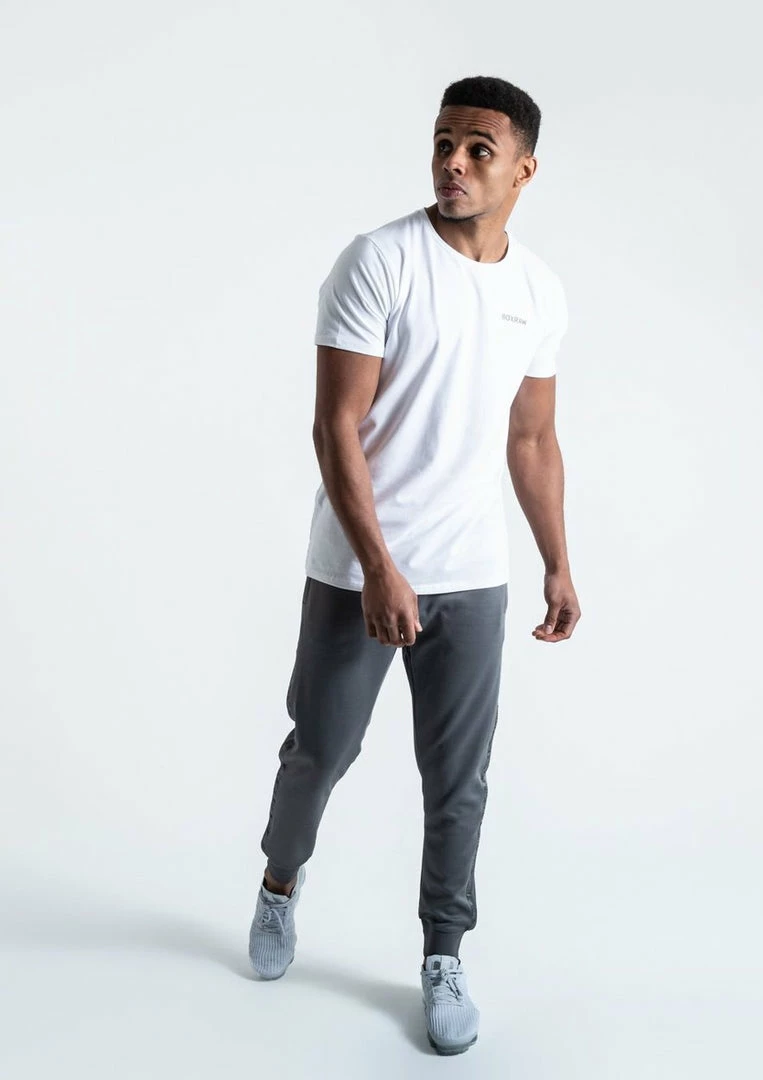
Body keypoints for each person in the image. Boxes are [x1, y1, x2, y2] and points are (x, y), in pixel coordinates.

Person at [247, 74, 581, 1056]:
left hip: (472, 572)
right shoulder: (380, 261)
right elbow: (335, 426)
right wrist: (381, 569)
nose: (453, 163)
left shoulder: (539, 291)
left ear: (524, 169)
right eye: (443, 143)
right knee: (320, 751)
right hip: (360, 569)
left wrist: (558, 561)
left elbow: (532, 438)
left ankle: (444, 953)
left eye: (478, 149)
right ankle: (278, 885)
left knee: (459, 781)